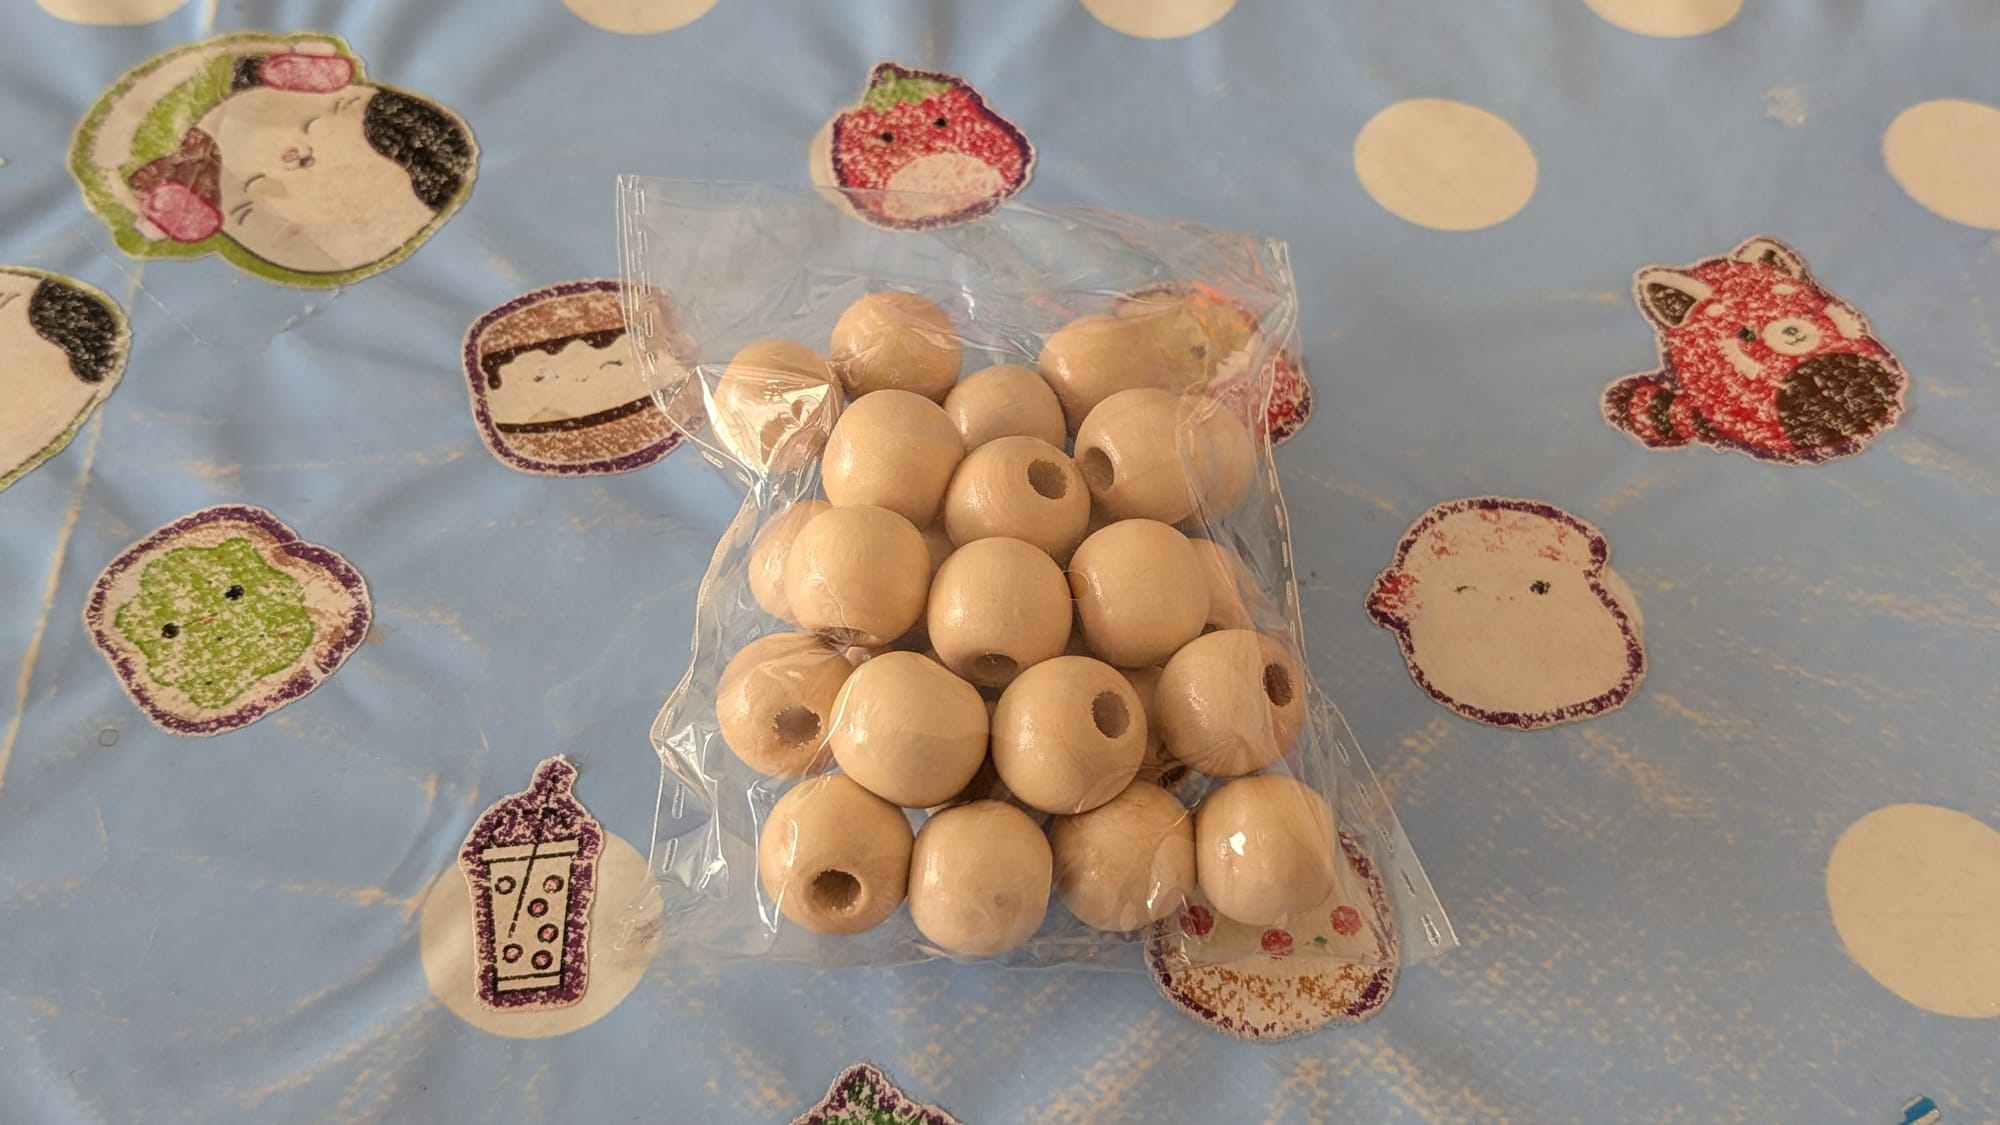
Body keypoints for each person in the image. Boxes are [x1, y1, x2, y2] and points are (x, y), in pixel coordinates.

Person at [70, 33, 476, 285]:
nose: (256, 183)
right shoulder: (227, 75)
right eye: (301, 159)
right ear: (324, 85)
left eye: (245, 211)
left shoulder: (165, 169)